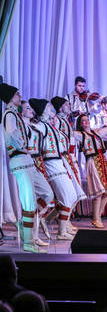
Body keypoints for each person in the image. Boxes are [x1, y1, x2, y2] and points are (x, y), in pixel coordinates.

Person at [29, 98, 86, 240]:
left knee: (72, 196)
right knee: (66, 197)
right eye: (48, 107)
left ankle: (59, 225)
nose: (51, 110)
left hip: (60, 163)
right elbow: (34, 144)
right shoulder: (40, 126)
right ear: (43, 111)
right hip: (51, 164)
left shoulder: (49, 126)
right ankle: (59, 230)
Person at [0, 85, 46, 253]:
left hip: (27, 161)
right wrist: (22, 147)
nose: (20, 96)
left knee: (47, 193)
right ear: (10, 97)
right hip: (19, 160)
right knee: (29, 202)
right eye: (17, 94)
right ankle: (29, 242)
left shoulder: (16, 114)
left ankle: (25, 223)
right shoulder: (9, 114)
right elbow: (11, 134)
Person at [74, 114, 107, 228]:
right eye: (83, 121)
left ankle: (97, 217)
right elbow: (69, 133)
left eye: (87, 120)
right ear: (80, 124)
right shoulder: (80, 135)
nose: (86, 122)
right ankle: (96, 218)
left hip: (102, 161)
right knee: (99, 192)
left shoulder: (96, 132)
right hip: (92, 161)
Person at [21, 101, 56, 244]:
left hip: (37, 161)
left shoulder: (34, 126)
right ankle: (32, 236)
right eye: (27, 108)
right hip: (27, 162)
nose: (30, 110)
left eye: (31, 108)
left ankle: (32, 222)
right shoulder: (21, 126)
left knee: (47, 194)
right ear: (21, 111)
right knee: (31, 200)